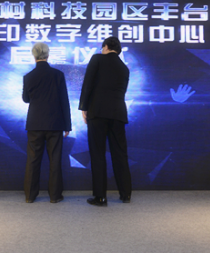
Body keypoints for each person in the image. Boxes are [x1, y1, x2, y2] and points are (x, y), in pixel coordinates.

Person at [79, 37, 131, 207]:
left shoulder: (97, 59)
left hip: (98, 112)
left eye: (102, 48)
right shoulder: (124, 68)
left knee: (98, 154)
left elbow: (87, 84)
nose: (102, 50)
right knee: (120, 153)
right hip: (118, 113)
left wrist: (84, 107)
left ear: (106, 47)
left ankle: (100, 197)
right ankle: (125, 193)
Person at [22, 43, 72, 204]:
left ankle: (30, 195)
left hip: (35, 123)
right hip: (55, 123)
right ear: (48, 55)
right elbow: (64, 101)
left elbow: (26, 99)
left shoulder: (28, 76)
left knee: (32, 160)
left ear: (34, 55)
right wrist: (67, 125)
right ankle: (55, 196)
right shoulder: (58, 75)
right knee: (55, 160)